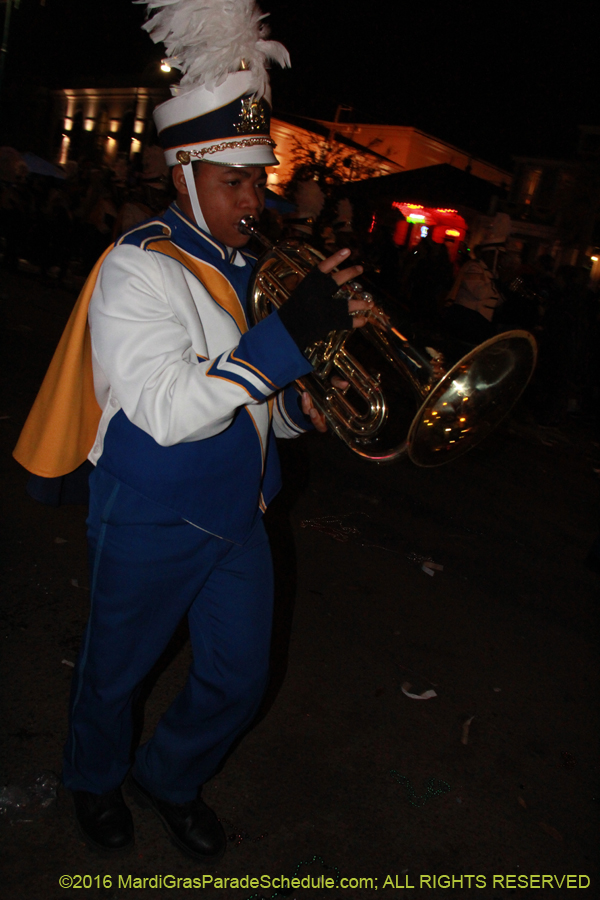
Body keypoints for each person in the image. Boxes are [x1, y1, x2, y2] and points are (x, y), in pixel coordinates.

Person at [13, 0, 371, 862]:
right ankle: (94, 779)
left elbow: (248, 402)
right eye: (234, 181)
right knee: (115, 672)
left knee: (239, 679)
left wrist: (298, 407)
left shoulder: (252, 267)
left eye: (259, 179)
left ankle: (168, 777)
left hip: (240, 508)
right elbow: (171, 409)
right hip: (150, 508)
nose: (255, 198)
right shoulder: (137, 267)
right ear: (184, 177)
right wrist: (288, 342)